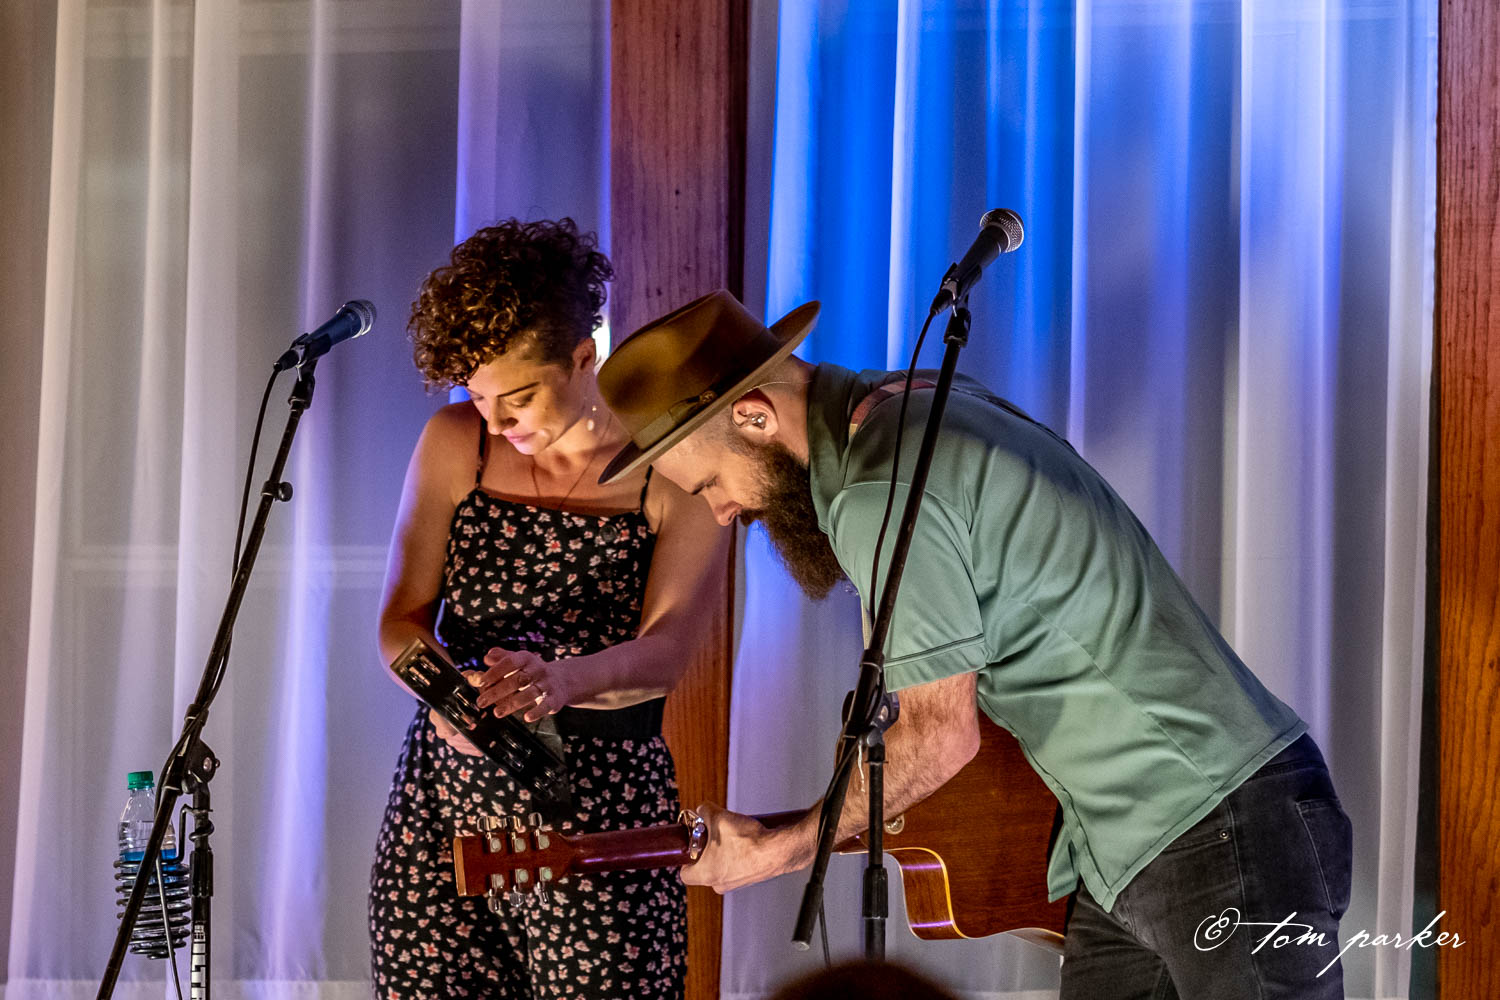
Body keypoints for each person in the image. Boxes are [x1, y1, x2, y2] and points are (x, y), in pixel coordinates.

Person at [593, 289, 1355, 1000]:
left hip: (1215, 824)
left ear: (755, 417)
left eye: (710, 483)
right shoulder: (912, 399)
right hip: (1123, 847)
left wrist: (775, 850)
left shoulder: (879, 483)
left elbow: (939, 734)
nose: (722, 513)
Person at [369, 219, 726, 1000]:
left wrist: (561, 681)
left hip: (602, 802)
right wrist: (450, 697)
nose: (497, 422)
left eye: (520, 397)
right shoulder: (455, 443)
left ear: (583, 358)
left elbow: (668, 650)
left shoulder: (672, 465)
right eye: (478, 396)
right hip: (447, 800)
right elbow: (399, 623)